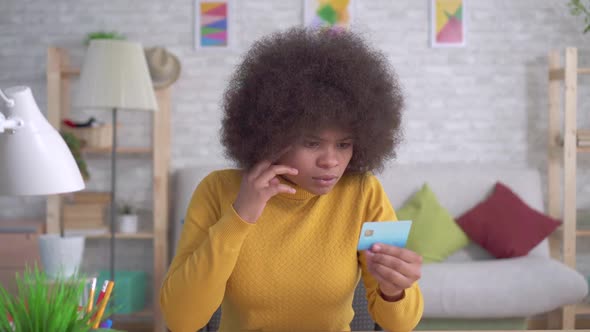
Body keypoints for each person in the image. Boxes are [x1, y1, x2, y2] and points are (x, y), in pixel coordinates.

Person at [160, 26, 424, 332]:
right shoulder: (219, 190)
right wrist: (239, 216)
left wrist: (394, 290)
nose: (331, 161)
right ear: (272, 135)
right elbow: (181, 321)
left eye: (344, 144)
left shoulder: (365, 193)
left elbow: (400, 325)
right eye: (312, 143)